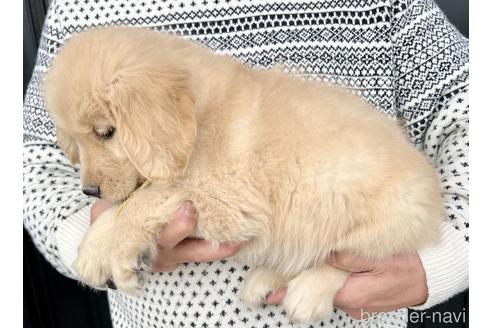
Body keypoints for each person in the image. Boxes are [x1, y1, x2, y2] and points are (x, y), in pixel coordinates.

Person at [23, 0, 468, 327]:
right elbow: (34, 157)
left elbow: (473, 114)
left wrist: (450, 259)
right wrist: (91, 234)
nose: (88, 169)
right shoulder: (80, 17)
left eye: (105, 134)